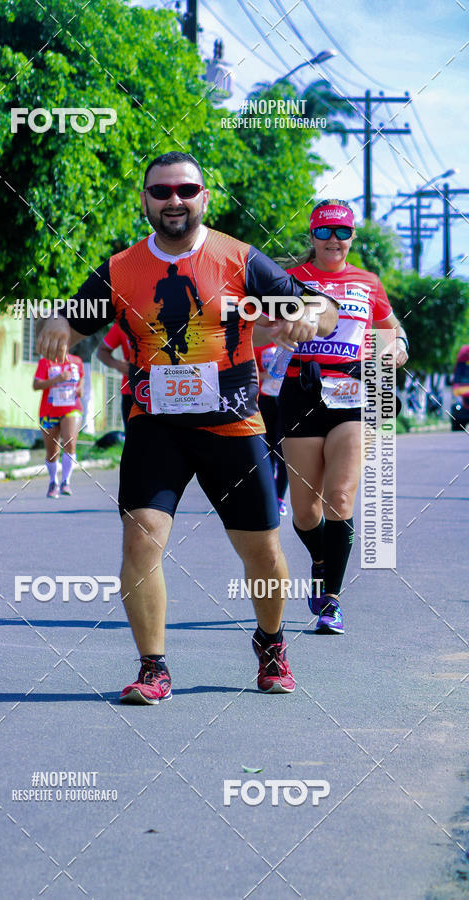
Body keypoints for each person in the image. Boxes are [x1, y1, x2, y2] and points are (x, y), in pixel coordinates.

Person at [37, 151, 338, 703]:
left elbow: (322, 308)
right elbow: (72, 316)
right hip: (157, 428)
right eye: (161, 191)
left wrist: (307, 316)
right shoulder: (121, 268)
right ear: (145, 200)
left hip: (232, 425)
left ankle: (271, 646)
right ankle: (153, 669)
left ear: (203, 196)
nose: (173, 200)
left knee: (264, 552)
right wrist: (57, 320)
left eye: (185, 189)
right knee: (139, 540)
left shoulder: (240, 259)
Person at [281, 199, 408, 634]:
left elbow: (392, 330)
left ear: (352, 236)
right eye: (324, 231)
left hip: (355, 394)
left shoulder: (368, 282)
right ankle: (321, 558)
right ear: (312, 236)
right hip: (300, 393)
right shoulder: (292, 281)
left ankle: (331, 600)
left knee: (339, 496)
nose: (333, 240)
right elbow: (256, 328)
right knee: (304, 511)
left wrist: (395, 349)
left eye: (342, 232)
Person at [33, 353, 84, 498]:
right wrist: (56, 379)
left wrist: (80, 388)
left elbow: (81, 379)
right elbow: (36, 385)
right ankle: (53, 482)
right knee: (52, 452)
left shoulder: (77, 361)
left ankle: (65, 481)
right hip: (49, 410)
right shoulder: (46, 362)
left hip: (72, 408)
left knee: (70, 443)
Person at [253, 341, 289, 516]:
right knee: (266, 450)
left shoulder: (293, 342)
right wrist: (267, 374)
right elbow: (251, 373)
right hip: (265, 401)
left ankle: (279, 498)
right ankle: (266, 497)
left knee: (283, 452)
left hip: (286, 400)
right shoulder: (261, 343)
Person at [96, 322, 133, 428]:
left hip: (165, 390)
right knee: (134, 439)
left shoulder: (167, 319)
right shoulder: (123, 323)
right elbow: (102, 351)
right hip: (131, 392)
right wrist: (118, 365)